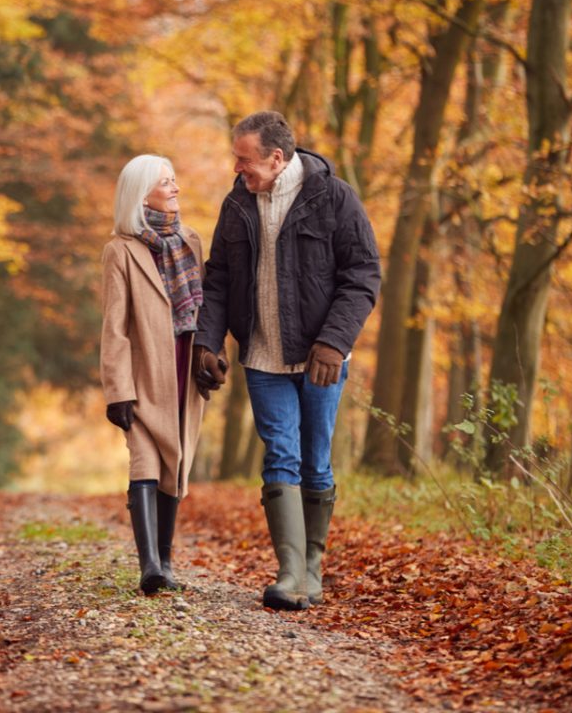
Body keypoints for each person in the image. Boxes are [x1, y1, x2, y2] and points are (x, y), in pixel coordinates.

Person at [193, 111, 381, 611]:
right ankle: (290, 571)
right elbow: (218, 280)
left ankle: (312, 570)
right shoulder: (237, 204)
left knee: (315, 458)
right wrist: (207, 343)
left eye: (244, 158)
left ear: (277, 158)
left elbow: (363, 274)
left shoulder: (334, 198)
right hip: (262, 356)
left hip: (321, 357)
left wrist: (334, 341)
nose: (237, 168)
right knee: (280, 453)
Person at [100, 154, 214, 595]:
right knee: (145, 459)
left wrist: (210, 354)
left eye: (174, 180)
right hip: (145, 373)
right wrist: (118, 391)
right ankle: (150, 567)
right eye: (165, 182)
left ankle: (166, 561)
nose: (175, 188)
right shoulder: (120, 251)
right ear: (141, 192)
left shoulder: (191, 241)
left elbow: (205, 309)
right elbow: (114, 327)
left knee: (177, 463)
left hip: (185, 367)